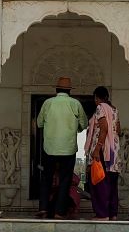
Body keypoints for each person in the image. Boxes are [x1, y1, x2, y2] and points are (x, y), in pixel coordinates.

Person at [36, 76, 87, 219]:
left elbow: (39, 123)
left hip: (50, 148)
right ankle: (59, 211)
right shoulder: (75, 104)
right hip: (68, 148)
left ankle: (44, 208)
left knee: (46, 178)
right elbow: (84, 124)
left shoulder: (48, 103)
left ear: (56, 89)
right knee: (65, 180)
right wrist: (75, 128)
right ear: (69, 91)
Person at [85, 85, 121, 220]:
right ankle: (112, 214)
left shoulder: (100, 108)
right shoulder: (114, 110)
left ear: (97, 98)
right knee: (111, 181)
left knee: (99, 181)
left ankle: (102, 214)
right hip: (113, 151)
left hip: (102, 150)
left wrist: (97, 148)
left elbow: (104, 128)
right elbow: (118, 129)